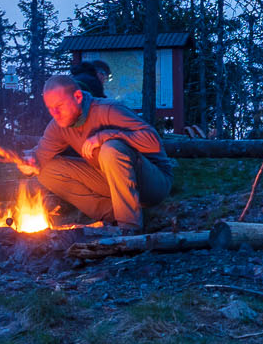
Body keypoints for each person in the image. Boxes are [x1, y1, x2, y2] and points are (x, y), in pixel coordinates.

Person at [19, 75, 174, 233]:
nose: (55, 113)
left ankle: (130, 227)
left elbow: (153, 142)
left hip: (153, 183)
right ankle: (115, 214)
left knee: (110, 149)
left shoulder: (108, 110)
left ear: (78, 97)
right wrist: (30, 161)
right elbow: (40, 155)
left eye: (59, 105)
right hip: (113, 181)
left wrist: (107, 135)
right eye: (50, 108)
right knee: (46, 171)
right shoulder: (59, 126)